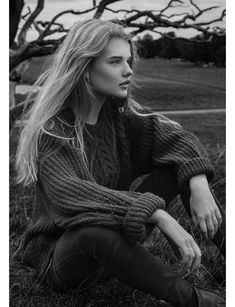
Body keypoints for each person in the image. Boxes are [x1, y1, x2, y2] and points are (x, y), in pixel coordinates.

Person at [16, 19, 225, 306]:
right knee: (93, 232)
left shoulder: (120, 119)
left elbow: (177, 139)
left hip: (118, 244)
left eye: (128, 60)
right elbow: (71, 196)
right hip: (65, 258)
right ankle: (198, 301)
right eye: (115, 61)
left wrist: (197, 181)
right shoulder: (53, 131)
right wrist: (159, 215)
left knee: (178, 169)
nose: (128, 71)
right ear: (85, 68)